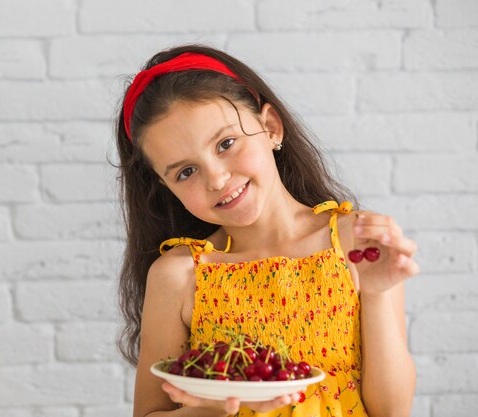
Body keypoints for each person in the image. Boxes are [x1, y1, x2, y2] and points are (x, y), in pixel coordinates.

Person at [114, 44, 419, 417]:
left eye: (226, 144)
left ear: (271, 127)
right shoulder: (178, 275)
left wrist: (376, 293)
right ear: (166, 186)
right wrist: (211, 407)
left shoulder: (357, 243)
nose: (217, 178)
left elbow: (392, 411)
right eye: (186, 172)